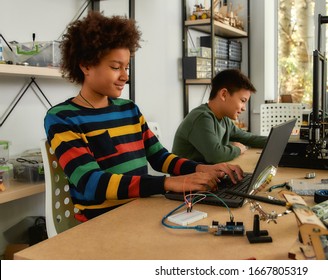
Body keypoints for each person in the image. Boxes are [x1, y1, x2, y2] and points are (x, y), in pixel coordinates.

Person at [44, 11, 243, 220]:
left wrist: (204, 169)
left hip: (140, 210)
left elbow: (160, 158)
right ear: (85, 65)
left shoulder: (129, 109)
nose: (125, 76)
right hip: (102, 222)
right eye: (115, 67)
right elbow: (91, 182)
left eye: (126, 67)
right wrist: (167, 183)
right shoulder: (62, 118)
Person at [172, 69, 267, 163]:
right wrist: (237, 149)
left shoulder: (224, 120)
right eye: (242, 101)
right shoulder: (202, 118)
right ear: (224, 94)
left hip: (208, 174)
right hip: (188, 177)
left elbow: (249, 138)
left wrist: (277, 142)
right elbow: (216, 155)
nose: (244, 108)